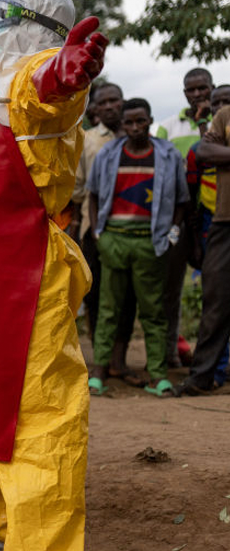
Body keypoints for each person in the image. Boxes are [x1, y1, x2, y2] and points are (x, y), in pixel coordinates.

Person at [0, 0, 106, 550]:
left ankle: (45, 543)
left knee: (40, 407)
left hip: (27, 270)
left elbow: (51, 88)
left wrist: (69, 70)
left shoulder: (34, 73)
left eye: (6, 14)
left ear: (39, 28)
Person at [87, 98, 188, 397]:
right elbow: (92, 195)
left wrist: (171, 234)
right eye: (128, 122)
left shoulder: (167, 155)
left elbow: (182, 203)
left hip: (150, 241)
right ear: (122, 124)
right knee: (108, 309)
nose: (134, 128)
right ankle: (100, 371)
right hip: (114, 239)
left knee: (153, 310)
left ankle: (158, 375)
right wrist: (97, 233)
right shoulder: (108, 154)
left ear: (150, 120)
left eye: (140, 121)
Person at [71, 83, 138, 381]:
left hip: (134, 229)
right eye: (103, 102)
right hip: (94, 229)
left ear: (123, 103)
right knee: (96, 295)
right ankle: (100, 357)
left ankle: (118, 360)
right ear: (94, 108)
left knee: (128, 296)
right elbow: (77, 188)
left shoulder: (137, 137)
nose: (110, 106)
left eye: (115, 100)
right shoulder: (86, 140)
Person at [155, 68, 213, 368]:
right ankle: (170, 353)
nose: (197, 94)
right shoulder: (167, 127)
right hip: (178, 218)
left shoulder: (221, 123)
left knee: (215, 290)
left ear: (212, 89)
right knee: (172, 287)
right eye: (190, 90)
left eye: (202, 88)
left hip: (214, 218)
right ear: (184, 93)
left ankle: (212, 357)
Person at [176, 92, 230, 396]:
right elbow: (205, 150)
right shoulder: (225, 116)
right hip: (224, 219)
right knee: (216, 299)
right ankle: (202, 376)